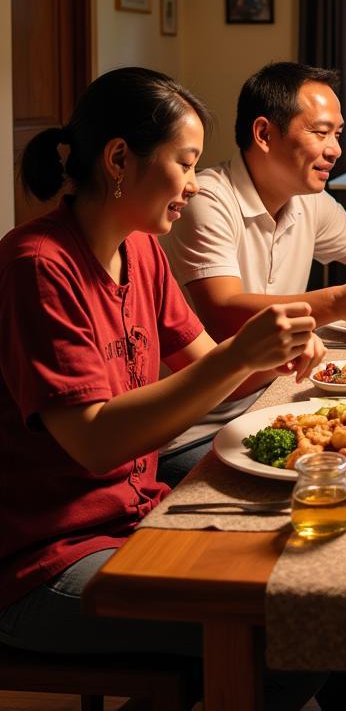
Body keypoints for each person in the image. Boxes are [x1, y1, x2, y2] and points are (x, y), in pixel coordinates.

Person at [0, 68, 324, 709]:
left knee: (311, 571)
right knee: (292, 629)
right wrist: (241, 353)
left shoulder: (141, 250)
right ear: (120, 158)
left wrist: (276, 355)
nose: (197, 184)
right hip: (41, 560)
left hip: (134, 510)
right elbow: (94, 443)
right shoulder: (36, 266)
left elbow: (214, 373)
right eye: (186, 162)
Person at [160, 62, 346, 479]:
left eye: (337, 134)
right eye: (320, 133)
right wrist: (338, 301)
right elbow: (222, 309)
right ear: (264, 134)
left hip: (278, 396)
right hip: (201, 425)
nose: (335, 149)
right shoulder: (208, 199)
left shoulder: (306, 200)